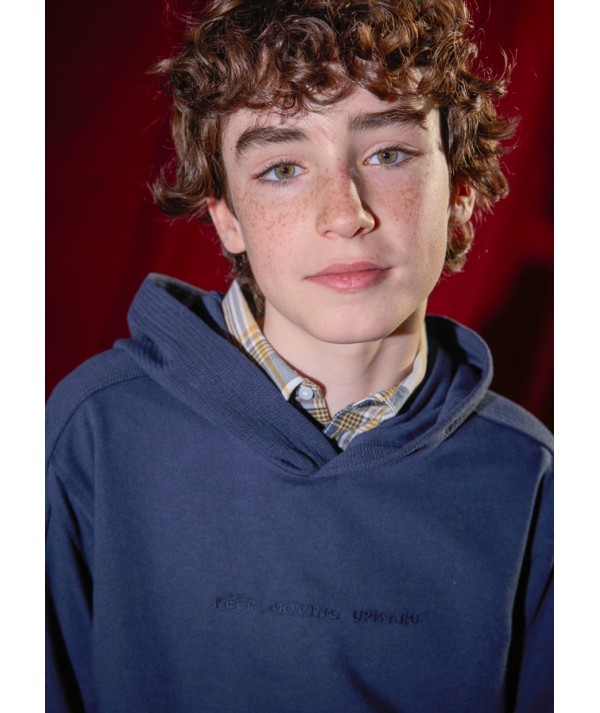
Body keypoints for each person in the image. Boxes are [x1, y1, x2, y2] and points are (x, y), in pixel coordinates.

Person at [45, 1, 553, 711]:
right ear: (226, 216)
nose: (344, 214)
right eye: (283, 168)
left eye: (388, 154)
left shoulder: (534, 480)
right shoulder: (91, 434)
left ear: (461, 193)